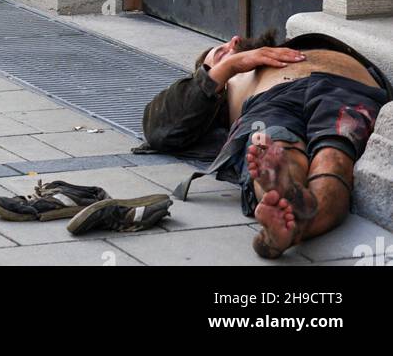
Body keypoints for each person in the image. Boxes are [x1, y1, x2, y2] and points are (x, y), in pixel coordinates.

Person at [139, 28, 392, 259]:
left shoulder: (295, 47)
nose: (233, 42)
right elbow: (159, 128)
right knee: (273, 147)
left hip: (345, 89)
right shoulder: (228, 88)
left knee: (334, 158)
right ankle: (284, 193)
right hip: (269, 101)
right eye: (219, 54)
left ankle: (292, 218)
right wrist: (230, 67)